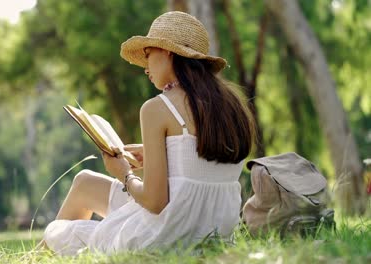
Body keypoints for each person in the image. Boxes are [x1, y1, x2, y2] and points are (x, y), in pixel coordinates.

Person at [41, 11, 256, 255]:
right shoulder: (233, 106)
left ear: (167, 51)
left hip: (165, 237)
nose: (145, 67)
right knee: (85, 182)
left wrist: (123, 173)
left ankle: (30, 260)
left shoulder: (158, 108)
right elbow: (203, 164)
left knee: (56, 232)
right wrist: (158, 154)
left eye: (148, 54)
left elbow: (155, 202)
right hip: (211, 230)